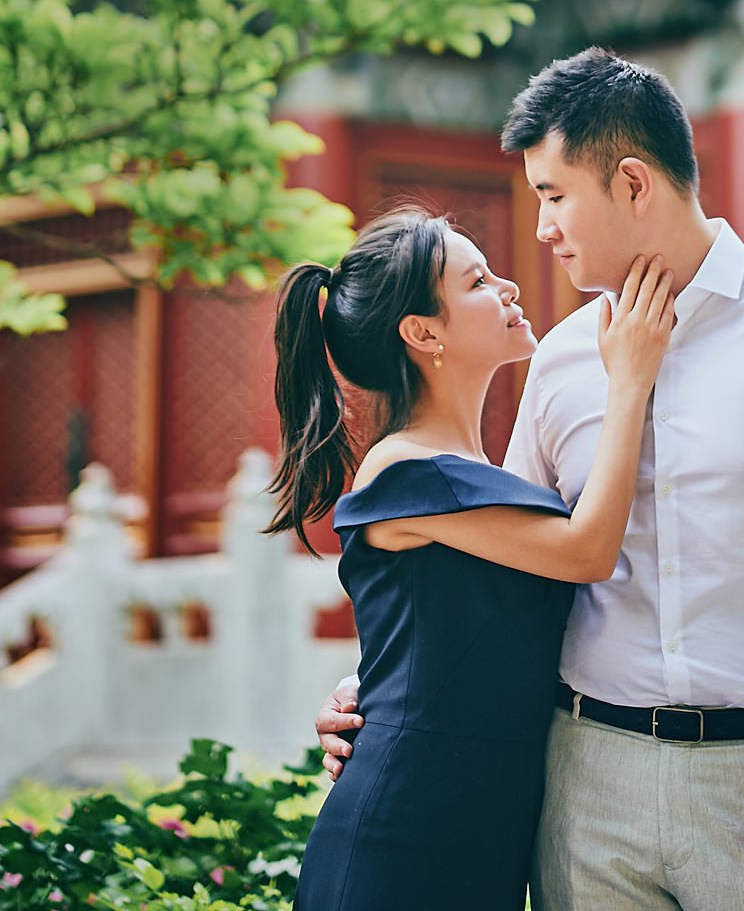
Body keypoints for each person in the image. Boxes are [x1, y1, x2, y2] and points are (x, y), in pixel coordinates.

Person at [315, 50, 744, 908]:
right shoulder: (559, 356)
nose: (540, 229)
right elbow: (501, 569)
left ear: (634, 184)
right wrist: (372, 688)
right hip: (583, 783)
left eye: (553, 195)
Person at [270, 202, 674, 911]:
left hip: (473, 828)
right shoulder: (408, 471)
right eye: (478, 281)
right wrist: (630, 381)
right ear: (423, 332)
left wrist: (366, 678)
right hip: (406, 834)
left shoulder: (469, 473)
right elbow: (586, 552)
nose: (510, 287)